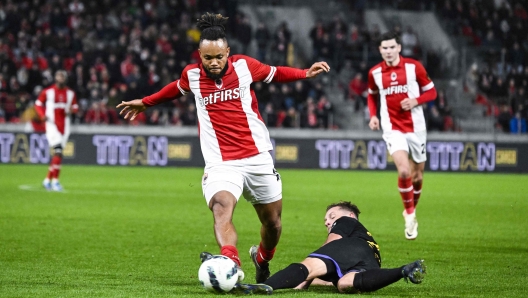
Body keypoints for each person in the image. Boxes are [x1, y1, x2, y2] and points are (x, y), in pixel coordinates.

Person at [117, 13, 330, 283]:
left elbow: (275, 74)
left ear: (227, 52)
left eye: (219, 57)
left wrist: (304, 73)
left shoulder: (244, 66)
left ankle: (262, 258)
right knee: (221, 205)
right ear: (200, 55)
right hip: (221, 162)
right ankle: (231, 262)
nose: (214, 62)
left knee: (273, 223)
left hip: (257, 157)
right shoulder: (192, 75)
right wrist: (146, 102)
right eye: (208, 58)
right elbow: (175, 89)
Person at [232, 201, 426, 294]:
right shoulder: (365, 238)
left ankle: (262, 287)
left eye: (331, 217)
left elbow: (331, 244)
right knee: (345, 283)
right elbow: (325, 278)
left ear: (348, 216)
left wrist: (305, 273)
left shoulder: (346, 222)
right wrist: (309, 278)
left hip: (353, 249)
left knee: (308, 266)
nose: (328, 222)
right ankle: (403, 271)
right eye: (326, 220)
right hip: (372, 261)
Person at [367, 31, 437, 240]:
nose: (388, 51)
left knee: (417, 176)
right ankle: (410, 215)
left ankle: (410, 208)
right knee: (404, 171)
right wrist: (373, 116)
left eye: (391, 47)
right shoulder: (375, 73)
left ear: (399, 48)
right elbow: (371, 96)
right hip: (392, 128)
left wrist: (416, 100)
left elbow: (432, 92)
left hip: (416, 128)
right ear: (380, 50)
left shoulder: (414, 67)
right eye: (384, 48)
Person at [35, 70, 79, 191]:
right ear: (55, 78)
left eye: (62, 76)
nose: (60, 78)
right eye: (58, 76)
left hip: (65, 126)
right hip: (52, 125)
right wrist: (42, 115)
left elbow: (76, 107)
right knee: (58, 151)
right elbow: (38, 104)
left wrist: (72, 110)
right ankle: (56, 182)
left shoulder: (70, 93)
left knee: (57, 154)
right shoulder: (48, 92)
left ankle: (47, 180)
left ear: (65, 79)